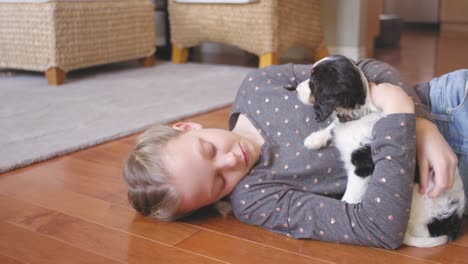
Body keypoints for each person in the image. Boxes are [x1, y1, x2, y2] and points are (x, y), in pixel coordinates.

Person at [123, 59, 466, 249]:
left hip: (447, 106)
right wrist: (398, 115)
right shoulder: (256, 200)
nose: (231, 162)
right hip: (444, 193)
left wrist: (422, 124)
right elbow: (378, 228)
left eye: (209, 150)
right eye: (217, 183)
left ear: (187, 127)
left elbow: (363, 70)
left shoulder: (259, 86)